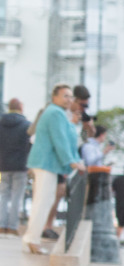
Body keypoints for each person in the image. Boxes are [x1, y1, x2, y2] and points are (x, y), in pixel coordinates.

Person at [23, 85, 84, 254]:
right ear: (54, 97)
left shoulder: (57, 113)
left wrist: (73, 160)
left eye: (71, 96)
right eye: (65, 96)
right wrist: (72, 162)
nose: (69, 99)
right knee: (42, 202)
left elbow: (65, 139)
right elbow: (60, 140)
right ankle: (32, 239)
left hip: (47, 163)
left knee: (44, 201)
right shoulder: (55, 113)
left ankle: (31, 238)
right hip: (45, 163)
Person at [0, 98, 31, 236]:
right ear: (21, 108)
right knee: (16, 196)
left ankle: (1, 225)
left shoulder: (1, 123)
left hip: (3, 165)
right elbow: (30, 145)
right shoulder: (26, 125)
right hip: (20, 165)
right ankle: (12, 227)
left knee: (3, 195)